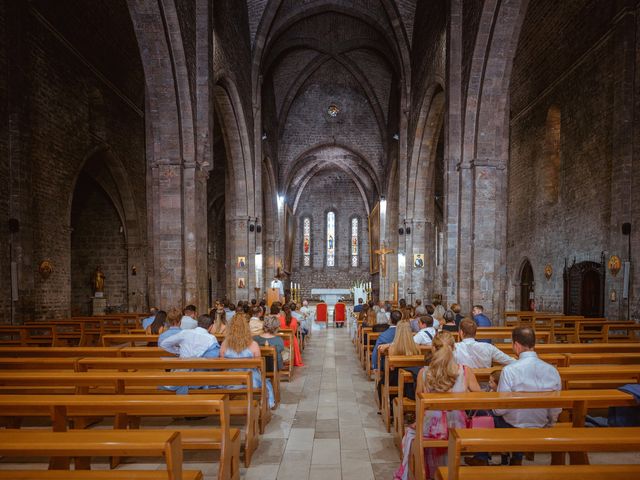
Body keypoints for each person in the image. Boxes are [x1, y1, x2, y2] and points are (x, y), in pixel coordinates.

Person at [468, 327, 562, 467]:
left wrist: (490, 404)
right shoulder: (552, 370)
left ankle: (481, 457)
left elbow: (501, 409)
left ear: (516, 345)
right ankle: (515, 458)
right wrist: (549, 424)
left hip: (513, 425)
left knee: (484, 412)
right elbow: (555, 407)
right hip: (541, 423)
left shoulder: (509, 370)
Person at [395, 332, 481, 480]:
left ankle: (426, 471)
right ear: (454, 348)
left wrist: (418, 421)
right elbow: (479, 398)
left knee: (410, 434)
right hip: (457, 426)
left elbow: (419, 402)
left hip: (431, 427)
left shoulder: (424, 373)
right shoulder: (465, 371)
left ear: (433, 348)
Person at [219, 313, 275, 408]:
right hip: (251, 380)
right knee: (266, 381)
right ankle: (267, 404)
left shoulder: (224, 344)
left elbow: (222, 365)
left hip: (230, 381)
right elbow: (259, 365)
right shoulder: (253, 344)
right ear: (246, 327)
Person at [377, 319, 420, 405]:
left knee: (380, 384)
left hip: (396, 379)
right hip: (412, 379)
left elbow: (392, 368)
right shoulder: (416, 346)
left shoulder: (393, 348)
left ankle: (386, 406)